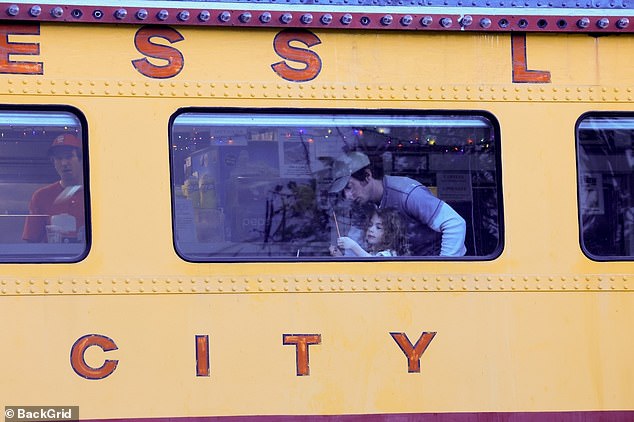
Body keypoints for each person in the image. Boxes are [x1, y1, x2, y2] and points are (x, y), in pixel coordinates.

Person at [329, 151, 466, 256]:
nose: (347, 196)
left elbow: (454, 224)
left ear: (367, 176)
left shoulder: (407, 194)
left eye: (349, 186)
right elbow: (359, 241)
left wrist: (444, 268)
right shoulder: (364, 205)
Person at [22, 133, 85, 243]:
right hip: (52, 259)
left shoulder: (96, 193)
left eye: (69, 156)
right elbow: (31, 242)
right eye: (58, 158)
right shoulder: (41, 196)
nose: (64, 163)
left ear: (81, 159)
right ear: (53, 163)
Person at [330, 208, 409, 257]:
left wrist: (353, 246)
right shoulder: (372, 252)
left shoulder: (388, 254)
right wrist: (339, 257)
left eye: (378, 227)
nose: (371, 229)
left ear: (390, 234)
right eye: (370, 225)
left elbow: (373, 264)